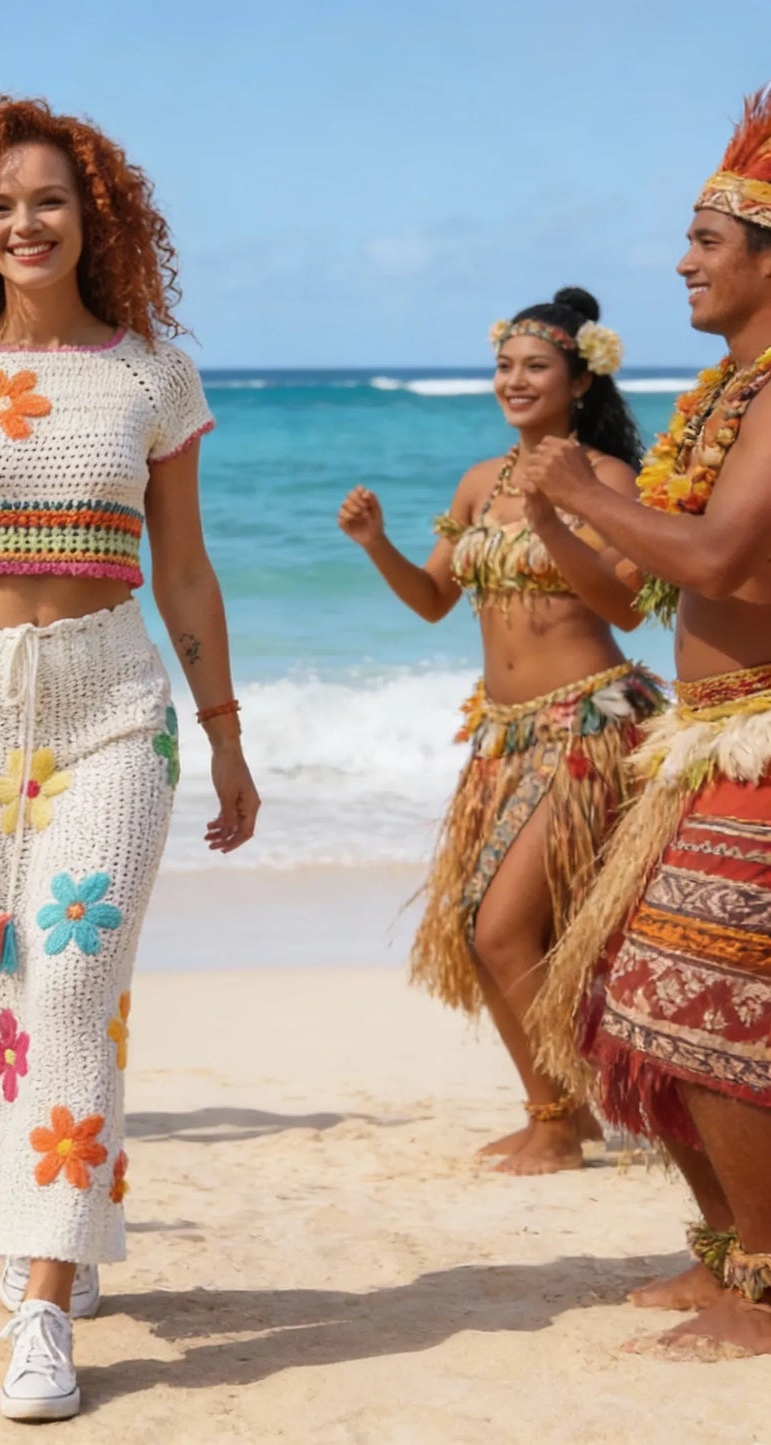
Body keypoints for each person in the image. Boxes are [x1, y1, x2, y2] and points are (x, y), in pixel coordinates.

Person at [0, 97, 259, 1421]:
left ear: (95, 219)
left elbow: (183, 570)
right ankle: (44, 1231)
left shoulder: (151, 377)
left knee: (71, 978)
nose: (26, 222)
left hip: (112, 699)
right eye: (0, 203)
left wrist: (231, 735)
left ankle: (40, 1303)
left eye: (50, 201)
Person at [527, 87, 771, 1356]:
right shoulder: (720, 396)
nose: (680, 259)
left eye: (706, 242)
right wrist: (556, 521)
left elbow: (727, 561)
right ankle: (725, 1250)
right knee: (618, 990)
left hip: (763, 735)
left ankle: (766, 1288)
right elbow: (638, 587)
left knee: (697, 989)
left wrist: (578, 482)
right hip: (701, 726)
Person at [338, 286, 663, 1174]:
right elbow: (436, 602)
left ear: (578, 383)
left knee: (499, 929)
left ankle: (559, 1120)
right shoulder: (479, 483)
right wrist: (376, 544)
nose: (512, 381)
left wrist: (555, 517)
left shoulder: (605, 480)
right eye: (503, 366)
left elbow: (627, 606)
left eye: (534, 368)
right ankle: (555, 1110)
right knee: (474, 926)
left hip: (588, 728)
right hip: (503, 736)